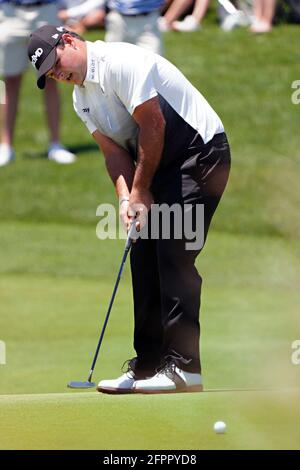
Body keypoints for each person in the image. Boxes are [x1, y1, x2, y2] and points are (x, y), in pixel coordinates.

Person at [28, 24, 231, 394]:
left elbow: (153, 125)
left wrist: (140, 189)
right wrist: (127, 198)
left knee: (173, 250)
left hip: (199, 153)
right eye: (50, 75)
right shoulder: (80, 98)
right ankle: (149, 365)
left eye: (56, 64)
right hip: (156, 163)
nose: (57, 75)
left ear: (69, 41)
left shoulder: (120, 62)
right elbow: (113, 153)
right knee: (142, 253)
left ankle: (185, 369)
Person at [0, 1, 76, 167]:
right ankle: (5, 146)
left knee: (52, 77)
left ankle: (55, 144)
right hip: (9, 11)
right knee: (9, 82)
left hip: (46, 9)